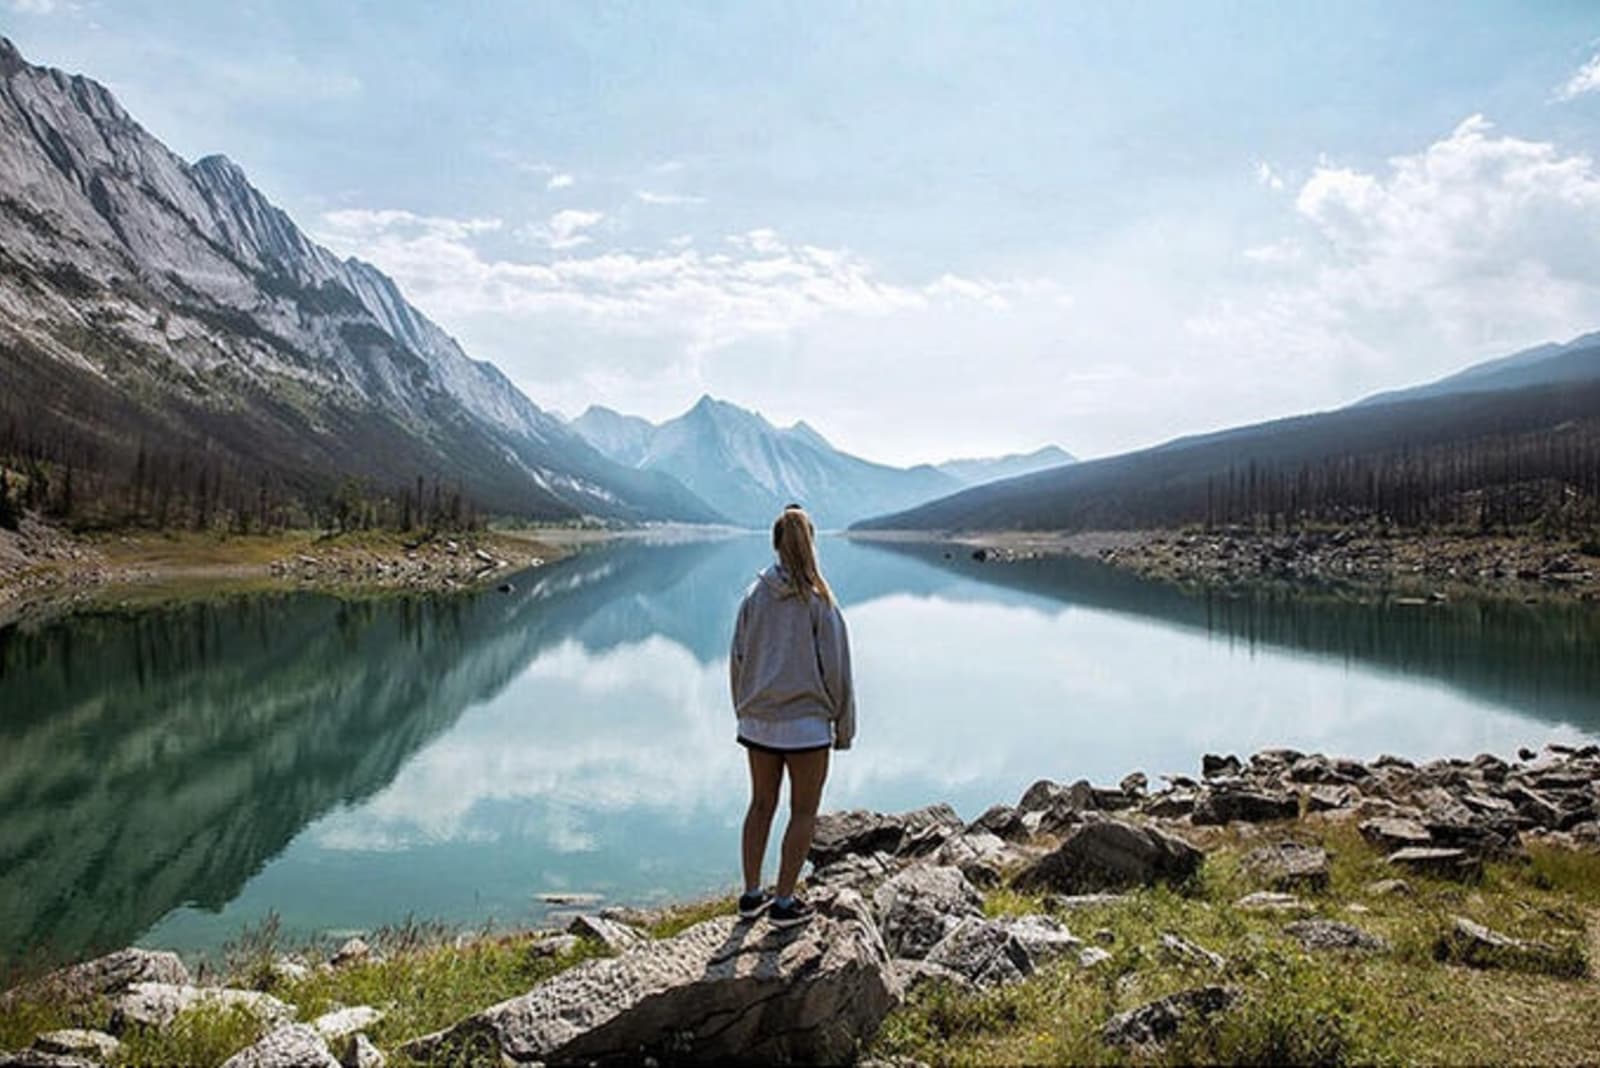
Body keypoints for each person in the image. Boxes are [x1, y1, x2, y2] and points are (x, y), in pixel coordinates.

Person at [729, 504, 856, 928]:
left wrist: (744, 710)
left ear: (775, 543)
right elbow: (837, 668)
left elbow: (738, 659)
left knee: (761, 804)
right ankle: (784, 902)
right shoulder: (820, 600)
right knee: (803, 812)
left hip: (759, 722)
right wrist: (843, 725)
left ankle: (751, 896)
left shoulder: (753, 595)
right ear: (810, 543)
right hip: (806, 726)